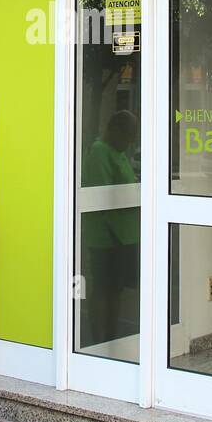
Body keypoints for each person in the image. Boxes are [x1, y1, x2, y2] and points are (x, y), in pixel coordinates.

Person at [78, 110, 140, 347]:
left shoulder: (118, 152)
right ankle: (98, 340)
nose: (130, 141)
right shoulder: (100, 151)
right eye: (128, 135)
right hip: (107, 238)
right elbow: (101, 195)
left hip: (122, 236)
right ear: (114, 129)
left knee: (115, 290)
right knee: (103, 290)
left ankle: (111, 339)